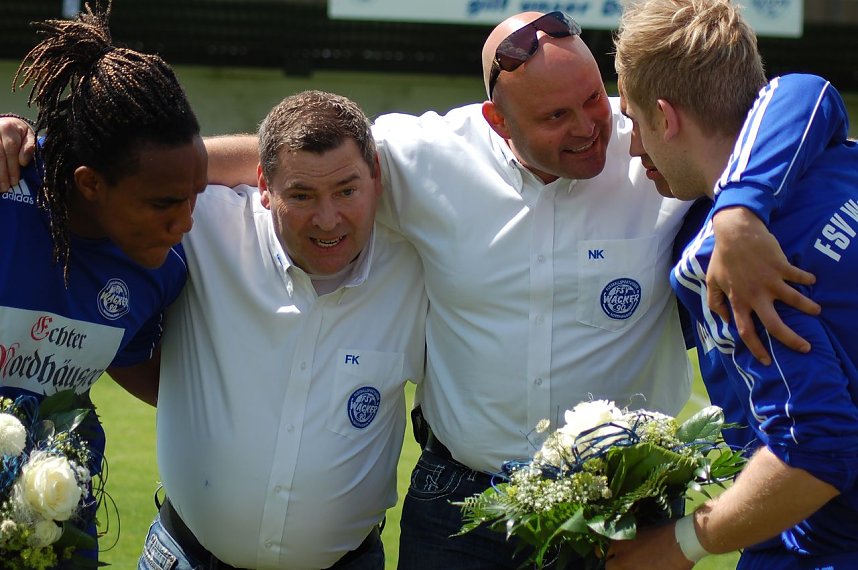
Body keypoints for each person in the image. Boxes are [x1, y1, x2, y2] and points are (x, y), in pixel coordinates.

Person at [195, 10, 823, 568]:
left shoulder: (653, 154)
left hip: (628, 500)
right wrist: (152, 175)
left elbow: (798, 101)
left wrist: (739, 209)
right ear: (497, 120)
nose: (588, 129)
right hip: (459, 506)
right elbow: (299, 164)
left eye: (593, 101)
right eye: (556, 116)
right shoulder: (427, 156)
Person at [608, 0, 858, 568]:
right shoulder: (830, 154)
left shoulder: (724, 266)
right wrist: (738, 207)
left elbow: (816, 450)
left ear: (667, 117)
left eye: (635, 120)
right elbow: (805, 92)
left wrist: (680, 545)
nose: (634, 147)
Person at [135, 90, 428, 570]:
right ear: (264, 186)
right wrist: (18, 137)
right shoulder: (203, 225)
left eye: (347, 191)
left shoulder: (420, 265)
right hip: (186, 555)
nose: (328, 218)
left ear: (376, 178)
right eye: (302, 195)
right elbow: (111, 174)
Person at [0, 0, 204, 564]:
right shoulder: (8, 198)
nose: (185, 223)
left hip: (57, 517)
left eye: (195, 197)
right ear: (90, 185)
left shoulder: (162, 267)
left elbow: (128, 358)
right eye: (164, 204)